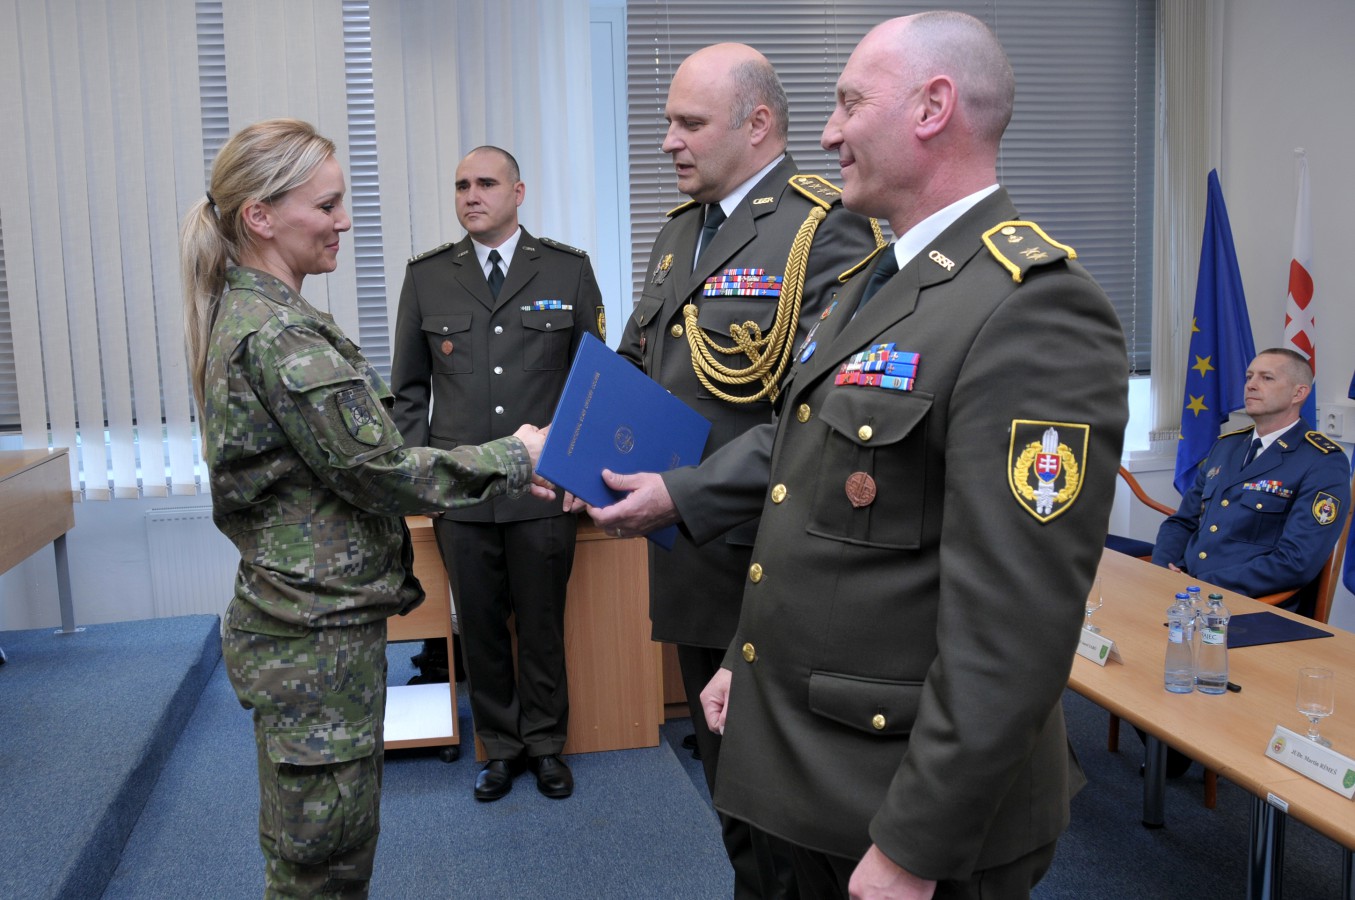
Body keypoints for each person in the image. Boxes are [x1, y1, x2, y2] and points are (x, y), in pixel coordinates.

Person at [587, 13, 1128, 899]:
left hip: (901, 797)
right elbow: (807, 490)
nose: (829, 132)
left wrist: (916, 844)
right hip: (816, 761)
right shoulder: (884, 281)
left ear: (932, 108)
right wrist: (746, 658)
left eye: (848, 103)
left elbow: (1014, 627)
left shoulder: (1031, 308)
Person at [181, 119, 552, 897]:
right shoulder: (277, 333)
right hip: (313, 637)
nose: (344, 221)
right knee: (322, 866)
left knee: (332, 850)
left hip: (311, 623)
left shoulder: (264, 317)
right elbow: (377, 470)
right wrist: (517, 455)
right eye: (327, 205)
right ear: (260, 216)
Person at [619, 41, 880, 898]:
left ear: (757, 124)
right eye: (668, 122)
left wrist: (680, 493)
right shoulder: (681, 229)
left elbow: (813, 419)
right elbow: (641, 368)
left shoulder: (824, 226)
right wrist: (569, 446)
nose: (668, 141)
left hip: (771, 563)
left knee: (789, 816)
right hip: (691, 555)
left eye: (688, 123)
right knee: (731, 796)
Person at [389, 146, 603, 802]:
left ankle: (546, 744)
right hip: (463, 494)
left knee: (541, 624)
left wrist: (579, 472)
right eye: (461, 185)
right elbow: (408, 393)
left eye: (485, 183)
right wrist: (419, 484)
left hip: (543, 489)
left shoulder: (566, 270)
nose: (471, 195)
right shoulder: (428, 277)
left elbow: (592, 383)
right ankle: (500, 749)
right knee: (479, 627)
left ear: (518, 191)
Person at [1153, 348, 1349, 602]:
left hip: (1251, 603)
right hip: (1185, 590)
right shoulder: (1226, 446)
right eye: (1249, 377)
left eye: (1267, 378)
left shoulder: (1322, 462)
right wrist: (1163, 571)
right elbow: (1182, 522)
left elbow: (1296, 561)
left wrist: (1199, 585)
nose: (1251, 385)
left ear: (1298, 393)